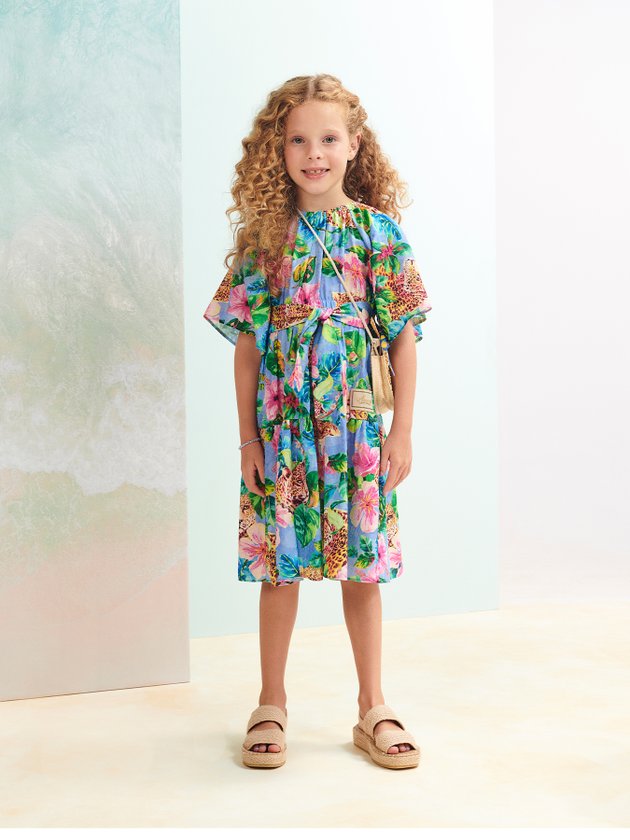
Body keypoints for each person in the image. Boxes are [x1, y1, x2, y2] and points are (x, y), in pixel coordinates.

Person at [203, 74, 432, 770]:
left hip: (356, 430)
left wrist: (401, 433)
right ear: (278, 150)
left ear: (354, 145)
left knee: (363, 569)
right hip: (283, 431)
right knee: (281, 568)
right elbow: (246, 349)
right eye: (298, 140)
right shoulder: (265, 240)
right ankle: (270, 701)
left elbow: (404, 339)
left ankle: (373, 705)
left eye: (328, 138)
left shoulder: (378, 233)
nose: (314, 153)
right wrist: (248, 438)